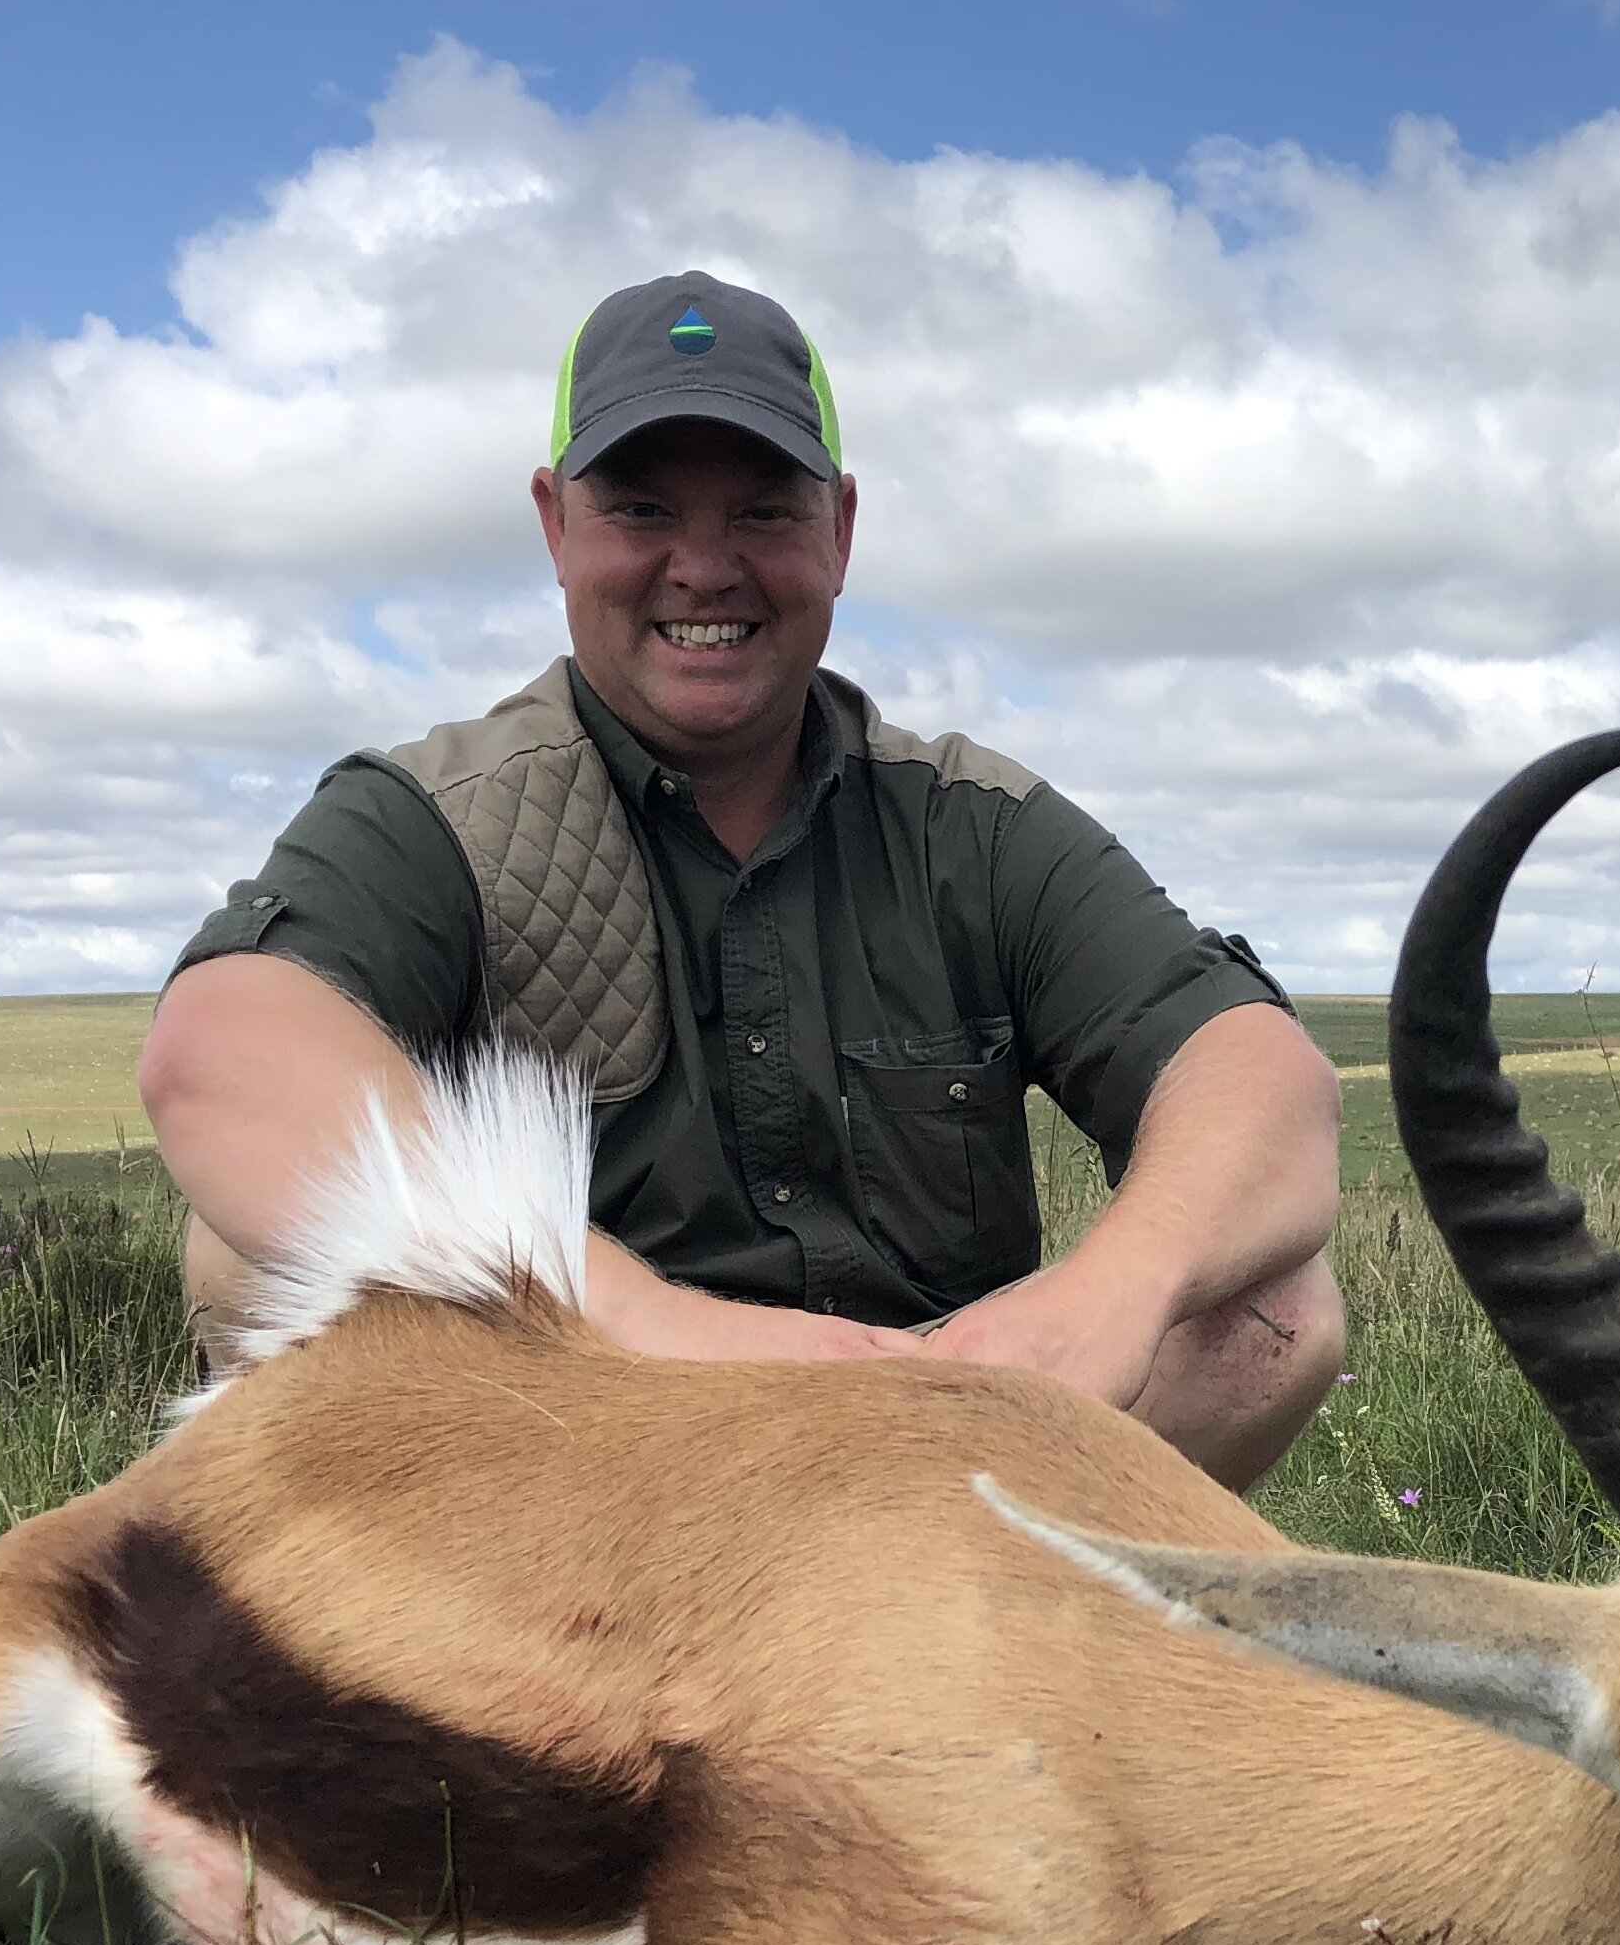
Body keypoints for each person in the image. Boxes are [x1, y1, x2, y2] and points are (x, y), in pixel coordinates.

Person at [139, 270, 1346, 1489]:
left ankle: (946, 1652)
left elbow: (1260, 1077)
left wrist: (1110, 1292)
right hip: (572, 1453)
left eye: (766, 513)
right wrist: (662, 1334)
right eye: (644, 509)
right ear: (557, 526)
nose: (705, 569)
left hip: (932, 1447)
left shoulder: (972, 827)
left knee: (1267, 1309)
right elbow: (222, 1055)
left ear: (842, 530)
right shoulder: (436, 819)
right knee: (249, 1258)